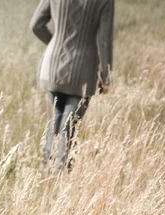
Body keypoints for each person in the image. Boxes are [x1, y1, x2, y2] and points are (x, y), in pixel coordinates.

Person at [30, 0, 114, 172]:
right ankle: (60, 180)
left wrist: (56, 44)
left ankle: (45, 175)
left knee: (57, 119)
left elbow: (36, 25)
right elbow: (104, 40)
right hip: (83, 71)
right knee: (69, 127)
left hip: (53, 66)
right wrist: (106, 76)